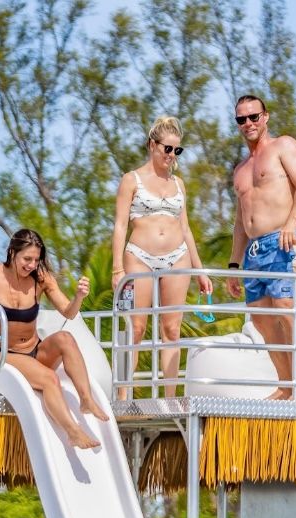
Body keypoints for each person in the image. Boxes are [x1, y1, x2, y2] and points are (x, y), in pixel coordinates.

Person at [0, 229, 109, 451]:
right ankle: (72, 431)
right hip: (6, 356)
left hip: (35, 351)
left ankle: (86, 399)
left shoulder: (41, 279)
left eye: (36, 260)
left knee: (66, 338)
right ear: (12, 253)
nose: (32, 265)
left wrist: (79, 296)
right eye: (27, 259)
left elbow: (68, 313)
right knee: (50, 379)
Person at [111, 115, 213, 398]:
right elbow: (120, 225)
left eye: (177, 150)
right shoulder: (131, 180)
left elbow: (186, 228)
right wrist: (117, 268)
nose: (171, 155)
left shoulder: (179, 184)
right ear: (152, 145)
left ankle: (169, 397)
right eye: (167, 148)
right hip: (139, 256)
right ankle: (123, 396)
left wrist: (199, 269)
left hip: (176, 256)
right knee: (137, 326)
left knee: (171, 328)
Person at [225, 94, 296, 400]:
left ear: (266, 117)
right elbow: (240, 221)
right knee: (260, 318)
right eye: (241, 119)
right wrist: (234, 265)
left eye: (253, 116)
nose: (248, 123)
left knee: (285, 310)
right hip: (253, 251)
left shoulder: (283, 146)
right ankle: (285, 384)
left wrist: (291, 221)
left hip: (283, 241)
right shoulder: (240, 170)